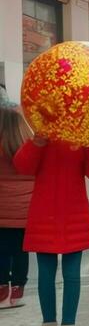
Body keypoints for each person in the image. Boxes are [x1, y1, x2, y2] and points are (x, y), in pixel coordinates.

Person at [13, 131, 89, 326]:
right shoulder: (42, 133)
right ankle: (47, 325)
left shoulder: (81, 134)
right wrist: (36, 142)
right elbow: (23, 166)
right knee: (46, 275)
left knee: (72, 274)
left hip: (74, 213)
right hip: (44, 212)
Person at [0, 98, 35, 309]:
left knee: (2, 251)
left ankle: (2, 290)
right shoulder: (28, 145)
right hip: (25, 209)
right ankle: (17, 292)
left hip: (2, 210)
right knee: (21, 251)